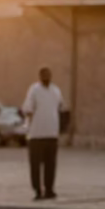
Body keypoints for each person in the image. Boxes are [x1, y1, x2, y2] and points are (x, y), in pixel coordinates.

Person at [22, 66, 65, 200]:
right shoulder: (34, 90)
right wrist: (28, 127)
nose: (46, 77)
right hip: (36, 134)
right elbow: (28, 109)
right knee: (36, 165)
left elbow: (61, 107)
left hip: (51, 133)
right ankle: (37, 190)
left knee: (50, 164)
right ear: (40, 77)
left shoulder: (56, 90)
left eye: (48, 75)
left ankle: (49, 189)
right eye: (44, 75)